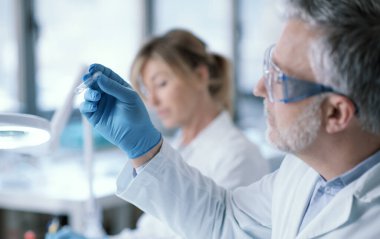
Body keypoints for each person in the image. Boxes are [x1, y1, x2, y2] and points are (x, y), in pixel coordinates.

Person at [77, 0, 380, 238]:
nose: (259, 88)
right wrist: (143, 150)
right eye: (267, 66)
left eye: (280, 79)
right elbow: (226, 220)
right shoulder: (303, 172)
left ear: (336, 113)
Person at [49, 29, 269, 239]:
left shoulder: (239, 155)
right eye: (146, 90)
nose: (152, 102)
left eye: (161, 84)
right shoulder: (178, 146)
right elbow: (152, 233)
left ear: (201, 76)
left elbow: (220, 231)